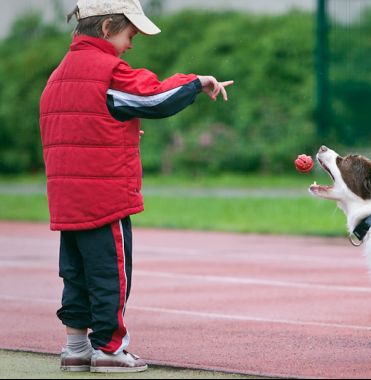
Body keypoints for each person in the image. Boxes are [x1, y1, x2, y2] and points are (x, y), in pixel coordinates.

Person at [39, 0, 233, 373]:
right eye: (130, 34)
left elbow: (81, 126)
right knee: (110, 275)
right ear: (110, 27)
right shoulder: (107, 70)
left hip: (67, 199)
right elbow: (155, 98)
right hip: (104, 197)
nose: (132, 44)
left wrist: (115, 134)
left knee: (75, 273)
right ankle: (110, 350)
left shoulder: (58, 75)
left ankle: (75, 347)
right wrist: (196, 82)